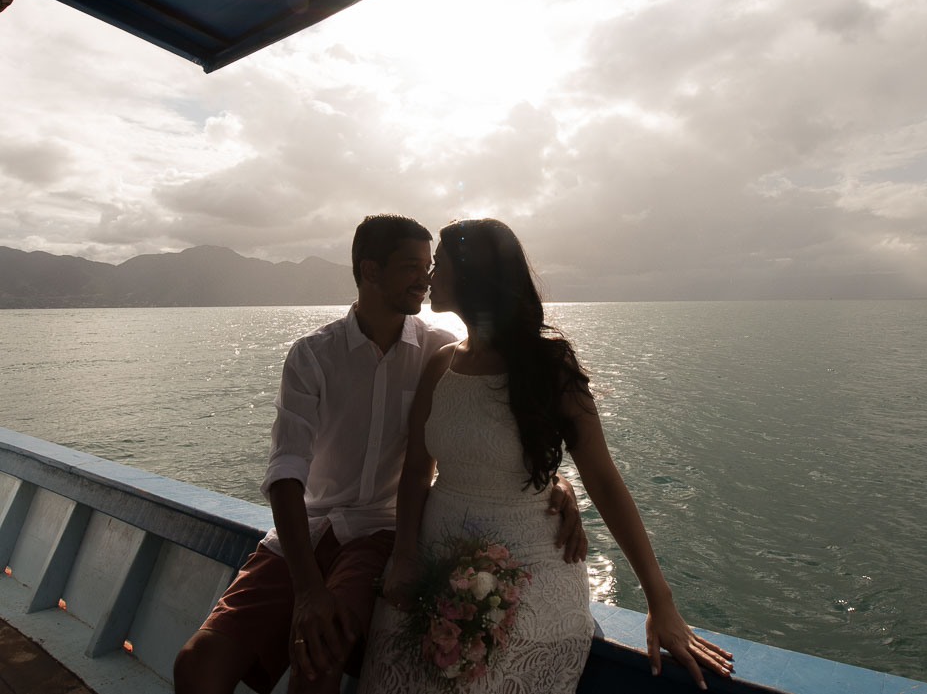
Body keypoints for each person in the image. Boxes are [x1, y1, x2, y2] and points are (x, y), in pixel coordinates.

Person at [173, 215, 586, 694]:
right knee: (195, 666)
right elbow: (285, 471)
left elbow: (494, 434)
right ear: (370, 270)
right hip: (306, 533)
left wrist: (555, 481)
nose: (426, 278)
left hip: (379, 533)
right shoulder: (313, 355)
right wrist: (307, 589)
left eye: (430, 266)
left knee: (319, 654)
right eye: (412, 266)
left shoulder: (440, 353)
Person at [357, 218, 733, 693]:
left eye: (441, 265)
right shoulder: (439, 364)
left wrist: (661, 602)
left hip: (531, 566)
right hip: (433, 558)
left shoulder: (549, 366)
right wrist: (406, 557)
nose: (430, 277)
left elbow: (604, 480)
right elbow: (415, 473)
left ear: (472, 276)